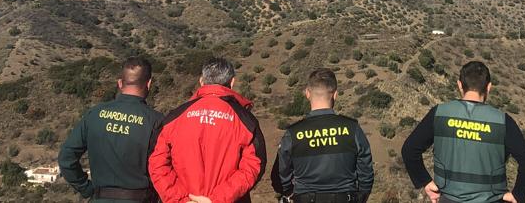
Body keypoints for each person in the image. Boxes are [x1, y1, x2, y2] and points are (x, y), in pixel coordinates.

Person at [401, 61, 525, 203]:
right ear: (489, 87)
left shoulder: (439, 113)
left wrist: (425, 182)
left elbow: (409, 150)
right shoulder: (502, 121)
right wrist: (518, 195)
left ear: (460, 85)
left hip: (448, 198)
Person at [149, 57, 266, 203]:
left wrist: (180, 199)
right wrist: (216, 199)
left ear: (201, 82)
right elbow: (253, 167)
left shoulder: (174, 118)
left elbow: (157, 163)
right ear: (232, 82)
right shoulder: (245, 120)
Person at [58, 56, 165, 202]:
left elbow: (66, 157)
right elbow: (166, 168)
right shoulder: (156, 121)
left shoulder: (94, 113)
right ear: (149, 84)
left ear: (120, 83)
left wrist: (86, 188)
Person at [270, 68, 374, 203]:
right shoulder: (352, 128)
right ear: (335, 94)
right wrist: (361, 197)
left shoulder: (293, 133)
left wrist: (290, 192)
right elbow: (366, 171)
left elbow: (281, 173)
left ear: (307, 93)